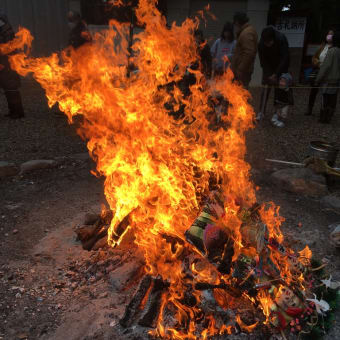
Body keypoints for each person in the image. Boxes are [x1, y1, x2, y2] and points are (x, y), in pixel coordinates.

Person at [257, 26, 291, 124]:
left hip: (281, 67)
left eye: (269, 42)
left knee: (279, 91)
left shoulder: (281, 39)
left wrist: (276, 74)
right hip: (268, 68)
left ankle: (277, 114)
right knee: (265, 89)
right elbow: (263, 61)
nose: (267, 44)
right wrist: (269, 74)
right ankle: (261, 112)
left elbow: (285, 58)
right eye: (265, 42)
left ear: (273, 39)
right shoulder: (261, 44)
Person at [0, 13, 24, 119]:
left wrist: (3, 61)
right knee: (7, 87)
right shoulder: (4, 27)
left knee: (11, 87)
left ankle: (17, 112)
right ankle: (13, 110)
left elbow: (7, 47)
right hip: (5, 59)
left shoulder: (4, 28)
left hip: (8, 60)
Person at [305, 29, 334, 116]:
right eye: (328, 34)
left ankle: (324, 111)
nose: (329, 36)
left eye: (331, 35)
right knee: (314, 90)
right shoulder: (322, 46)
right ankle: (309, 108)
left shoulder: (335, 48)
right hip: (318, 71)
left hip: (328, 73)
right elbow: (314, 57)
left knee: (325, 92)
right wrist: (317, 63)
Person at [315, 31, 340, 124]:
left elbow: (326, 66)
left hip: (328, 80)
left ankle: (324, 118)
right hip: (336, 80)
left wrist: (318, 79)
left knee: (324, 99)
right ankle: (329, 116)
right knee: (332, 99)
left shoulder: (332, 51)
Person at [231, 12, 258, 89]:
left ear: (237, 22)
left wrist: (240, 69)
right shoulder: (247, 31)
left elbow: (249, 53)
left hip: (243, 72)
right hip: (242, 70)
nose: (235, 26)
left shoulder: (247, 33)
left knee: (241, 94)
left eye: (235, 23)